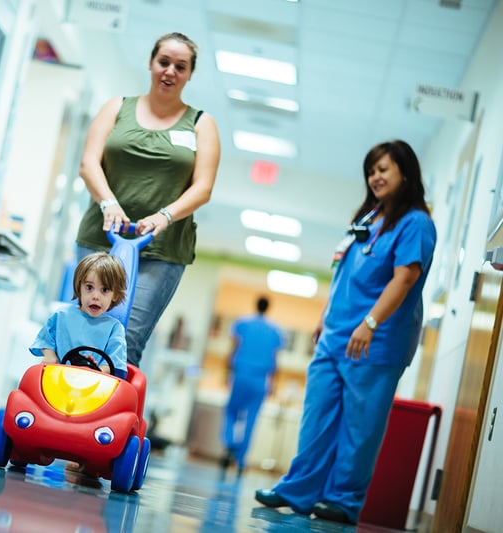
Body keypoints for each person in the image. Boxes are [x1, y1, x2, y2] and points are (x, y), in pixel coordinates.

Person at [254, 140, 437, 525]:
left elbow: (404, 278)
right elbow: (344, 273)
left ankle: (344, 499)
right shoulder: (369, 217)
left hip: (377, 340)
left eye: (384, 169)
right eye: (372, 170)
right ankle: (298, 489)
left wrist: (369, 324)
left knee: (360, 424)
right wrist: (325, 314)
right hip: (336, 334)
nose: (375, 177)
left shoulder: (415, 222)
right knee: (316, 416)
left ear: (406, 173)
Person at [75, 31, 221, 368]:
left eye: (180, 66)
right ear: (151, 63)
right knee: (84, 332)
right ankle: (69, 415)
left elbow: (203, 187)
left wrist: (165, 216)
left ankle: (110, 420)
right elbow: (88, 163)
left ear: (189, 74)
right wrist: (108, 203)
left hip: (161, 250)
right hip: (101, 238)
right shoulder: (117, 108)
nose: (170, 71)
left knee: (126, 338)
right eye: (164, 62)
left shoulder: (202, 124)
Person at [30, 252, 128, 378]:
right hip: (56, 381)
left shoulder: (114, 328)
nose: (95, 296)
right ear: (79, 287)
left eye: (105, 290)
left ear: (115, 295)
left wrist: (95, 370)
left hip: (94, 388)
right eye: (89, 287)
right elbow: (45, 340)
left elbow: (114, 363)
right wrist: (50, 356)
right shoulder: (62, 316)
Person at [220, 296, 284, 476]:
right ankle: (241, 459)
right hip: (261, 379)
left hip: (241, 375)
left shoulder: (242, 323)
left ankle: (230, 443)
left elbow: (233, 348)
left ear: (256, 305)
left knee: (231, 412)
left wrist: (226, 373)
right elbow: (275, 359)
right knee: (251, 419)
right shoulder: (275, 330)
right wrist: (274, 384)